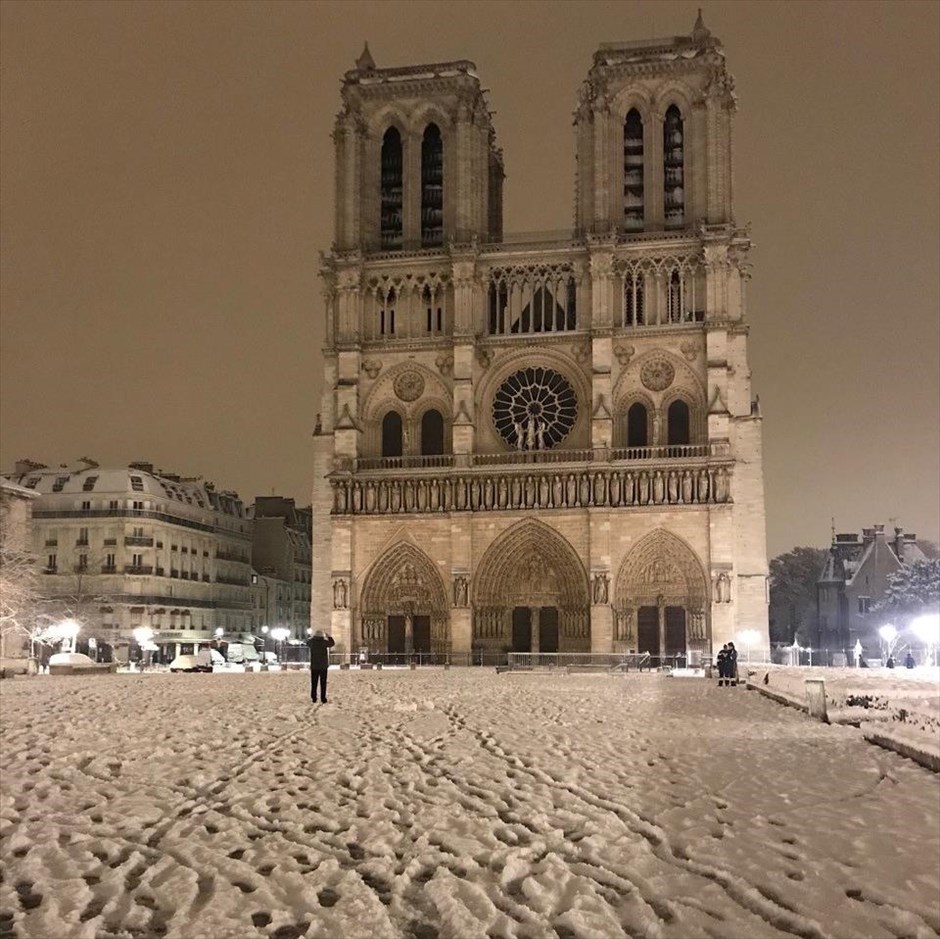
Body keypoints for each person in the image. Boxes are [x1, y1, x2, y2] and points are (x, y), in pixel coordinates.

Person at [307, 629, 335, 703]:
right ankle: (323, 698)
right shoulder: (324, 642)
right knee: (323, 683)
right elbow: (332, 643)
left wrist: (311, 637)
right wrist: (329, 637)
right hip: (323, 666)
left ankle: (314, 697)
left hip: (314, 666)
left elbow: (307, 642)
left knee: (314, 683)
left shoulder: (312, 642)